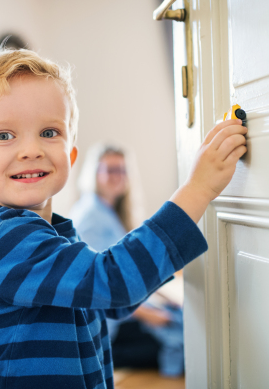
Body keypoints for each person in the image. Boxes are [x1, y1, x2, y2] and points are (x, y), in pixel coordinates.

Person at [0, 47, 247, 389]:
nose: (30, 149)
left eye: (49, 132)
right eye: (4, 136)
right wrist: (197, 189)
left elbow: (105, 301)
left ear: (70, 154)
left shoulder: (54, 233)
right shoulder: (2, 239)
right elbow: (112, 283)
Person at [69, 144, 186, 377]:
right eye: (110, 170)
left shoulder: (108, 211)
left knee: (182, 322)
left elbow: (130, 269)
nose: (117, 177)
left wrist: (163, 297)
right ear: (94, 173)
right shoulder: (92, 217)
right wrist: (150, 314)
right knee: (184, 342)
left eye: (122, 170)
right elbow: (101, 284)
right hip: (109, 325)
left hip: (122, 312)